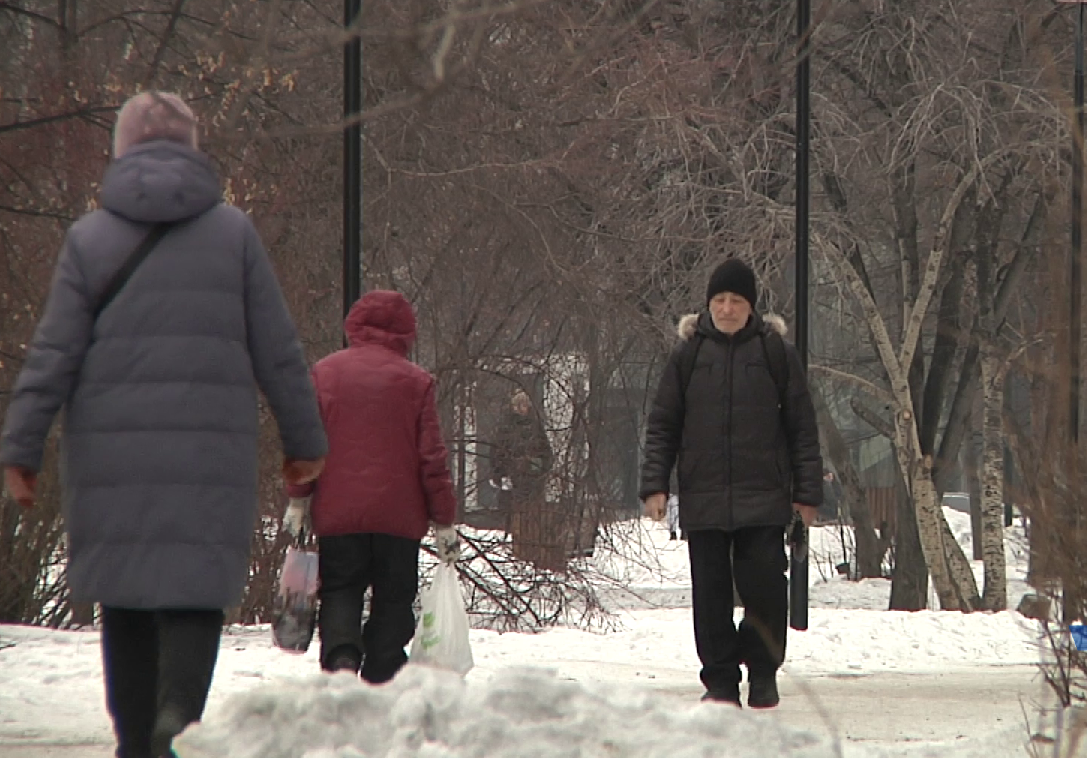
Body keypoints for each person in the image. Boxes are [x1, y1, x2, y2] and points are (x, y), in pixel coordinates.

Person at [0, 91, 328, 758]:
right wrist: (305, 444)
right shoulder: (232, 233)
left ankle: (133, 738)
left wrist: (22, 448)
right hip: (210, 455)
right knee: (194, 591)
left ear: (120, 152)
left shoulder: (88, 240)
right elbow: (279, 350)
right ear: (193, 150)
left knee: (123, 593)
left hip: (110, 457)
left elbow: (54, 353)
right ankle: (178, 716)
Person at [640, 258, 822, 709]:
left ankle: (762, 671)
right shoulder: (688, 355)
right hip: (704, 497)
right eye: (719, 300)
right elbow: (663, 424)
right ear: (707, 305)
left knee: (765, 586)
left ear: (751, 306)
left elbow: (802, 427)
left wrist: (806, 495)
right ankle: (720, 679)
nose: (726, 309)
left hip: (763, 496)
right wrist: (654, 486)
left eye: (736, 301)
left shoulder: (775, 352)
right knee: (711, 593)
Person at [283, 289, 460, 684]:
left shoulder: (324, 374)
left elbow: (304, 442)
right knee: (394, 598)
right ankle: (382, 669)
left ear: (354, 325)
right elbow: (432, 459)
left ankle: (342, 660)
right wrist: (444, 521)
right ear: (406, 332)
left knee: (341, 589)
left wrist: (298, 501)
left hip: (339, 513)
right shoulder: (417, 383)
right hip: (399, 517)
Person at [491, 389, 556, 567]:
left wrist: (539, 467)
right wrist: (501, 475)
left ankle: (532, 550)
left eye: (525, 405)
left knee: (533, 516)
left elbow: (546, 453)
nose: (522, 409)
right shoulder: (506, 428)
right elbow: (497, 454)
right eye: (519, 405)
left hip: (533, 481)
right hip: (514, 481)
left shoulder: (535, 427)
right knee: (515, 516)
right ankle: (516, 552)